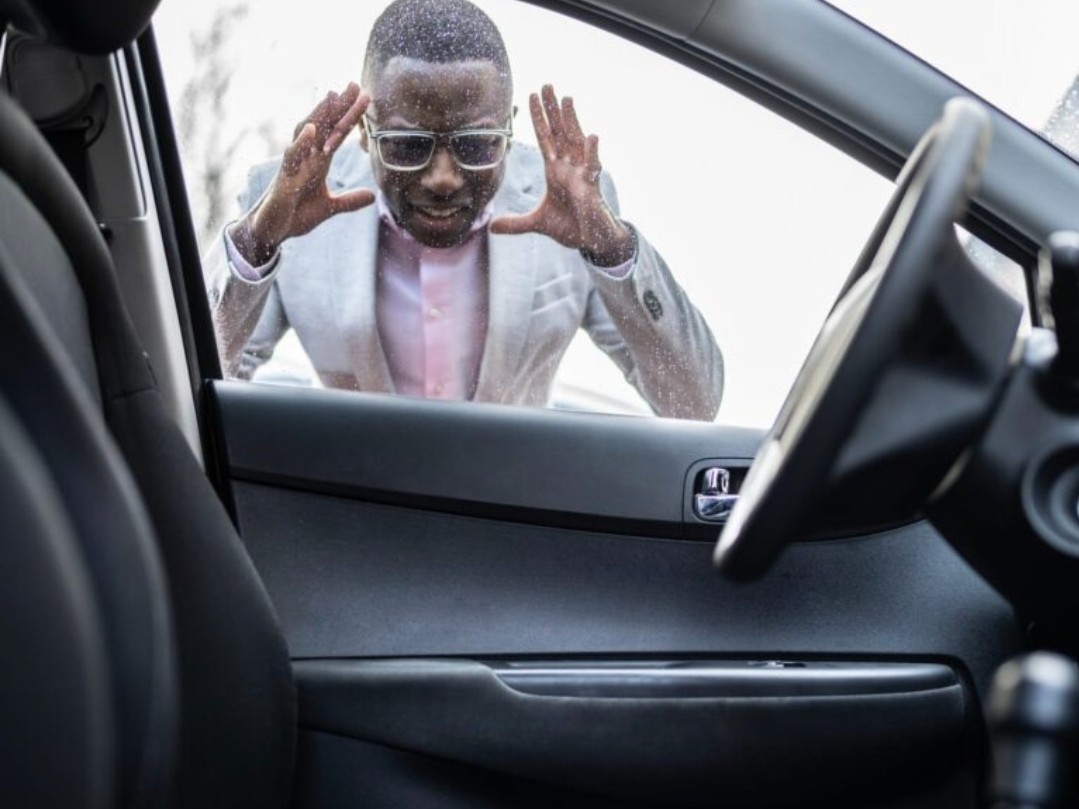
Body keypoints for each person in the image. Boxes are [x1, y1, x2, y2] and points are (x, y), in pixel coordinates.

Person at [203, 0, 723, 420]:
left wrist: (610, 248)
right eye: (408, 145)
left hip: (507, 505)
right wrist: (257, 241)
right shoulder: (288, 200)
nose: (443, 178)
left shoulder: (575, 203)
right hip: (353, 502)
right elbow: (195, 382)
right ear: (364, 131)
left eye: (476, 143)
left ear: (509, 127)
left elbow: (692, 404)